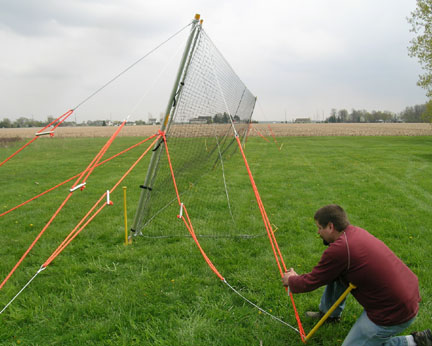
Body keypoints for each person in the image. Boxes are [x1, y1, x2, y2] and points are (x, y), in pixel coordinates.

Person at [282, 204, 431, 346]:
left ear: (331, 226)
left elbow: (312, 281)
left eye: (320, 228)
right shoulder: (354, 233)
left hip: (392, 312)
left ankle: (414, 341)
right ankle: (330, 316)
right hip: (406, 295)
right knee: (337, 274)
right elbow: (327, 274)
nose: (318, 232)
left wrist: (292, 280)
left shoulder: (340, 250)